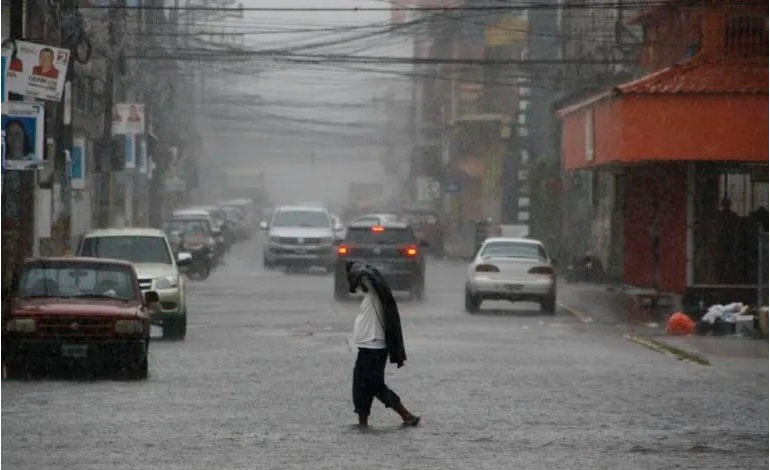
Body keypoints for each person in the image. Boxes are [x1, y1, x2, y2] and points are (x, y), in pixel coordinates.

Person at [346, 261, 420, 429]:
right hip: (366, 347)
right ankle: (362, 423)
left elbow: (365, 276)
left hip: (375, 348)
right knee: (360, 385)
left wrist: (355, 269)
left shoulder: (374, 293)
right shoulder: (371, 296)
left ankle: (406, 415)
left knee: (374, 386)